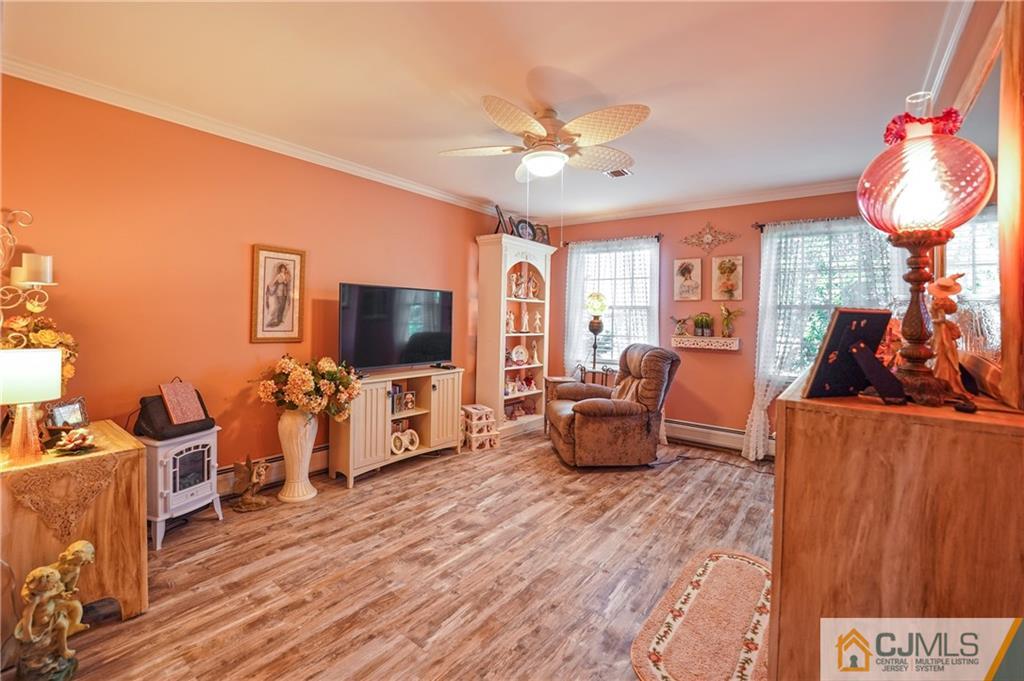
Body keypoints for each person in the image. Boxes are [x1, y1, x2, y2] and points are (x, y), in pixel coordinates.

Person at [264, 263, 292, 328]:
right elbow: (272, 282)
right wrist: (268, 285)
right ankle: (278, 319)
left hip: (284, 291)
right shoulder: (278, 275)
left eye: (284, 268)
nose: (283, 269)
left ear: (285, 269)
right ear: (280, 269)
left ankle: (280, 319)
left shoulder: (286, 275)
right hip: (279, 291)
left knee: (283, 306)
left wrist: (286, 280)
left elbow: (286, 283)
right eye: (282, 268)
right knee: (280, 305)